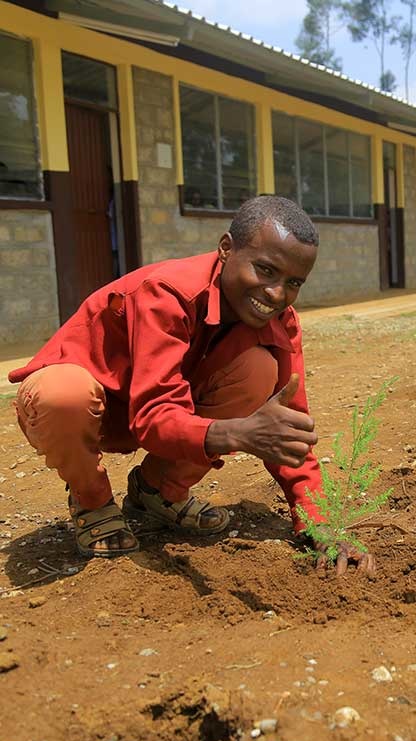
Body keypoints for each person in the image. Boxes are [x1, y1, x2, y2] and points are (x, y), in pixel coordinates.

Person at [9, 196, 375, 575]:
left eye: (293, 282)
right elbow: (152, 416)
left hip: (168, 416)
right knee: (63, 394)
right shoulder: (167, 293)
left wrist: (320, 525)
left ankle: (158, 492)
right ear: (225, 249)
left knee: (258, 371)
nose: (276, 293)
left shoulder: (281, 321)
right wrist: (236, 433)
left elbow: (289, 423)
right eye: (265, 270)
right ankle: (92, 502)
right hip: (90, 411)